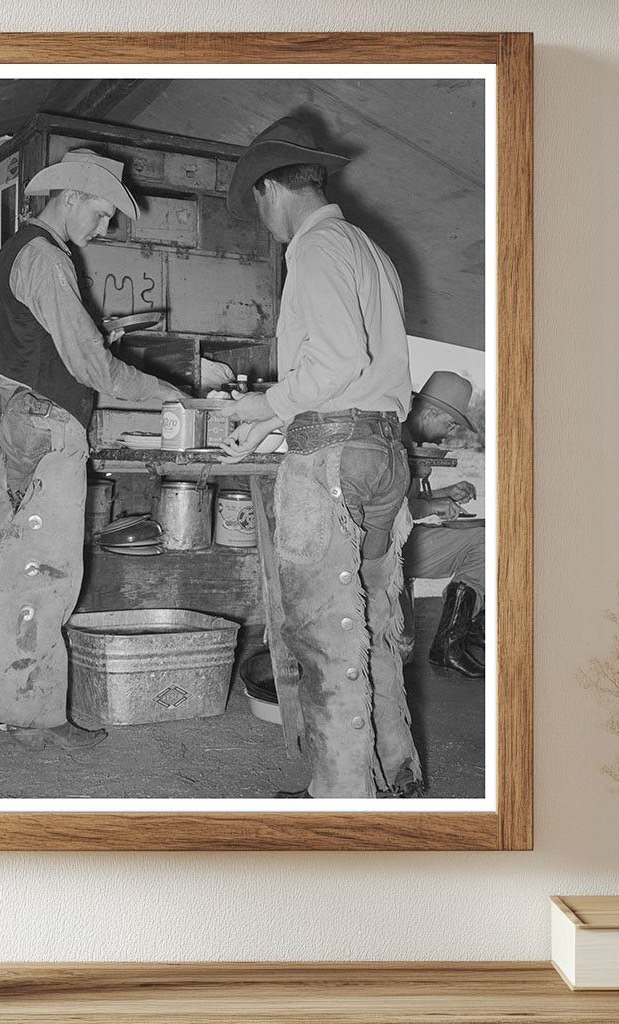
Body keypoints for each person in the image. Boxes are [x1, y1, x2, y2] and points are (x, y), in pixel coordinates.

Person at [0, 148, 231, 751]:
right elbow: (100, 374)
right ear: (72, 196)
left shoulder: (21, 251)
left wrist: (97, 333)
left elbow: (41, 343)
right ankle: (37, 721)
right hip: (48, 423)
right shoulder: (46, 259)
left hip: (17, 418)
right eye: (105, 212)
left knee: (11, 567)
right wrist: (187, 401)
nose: (106, 226)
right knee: (46, 576)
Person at [220, 117, 421, 799]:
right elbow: (359, 376)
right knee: (375, 622)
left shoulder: (314, 246)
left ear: (271, 188)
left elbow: (334, 363)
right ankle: (396, 777)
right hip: (381, 453)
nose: (265, 219)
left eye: (258, 203)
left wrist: (263, 407)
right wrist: (276, 425)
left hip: (332, 461)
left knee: (325, 637)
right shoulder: (368, 249)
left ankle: (340, 801)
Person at [402, 371, 485, 678]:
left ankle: (462, 635)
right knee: (487, 545)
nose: (450, 433)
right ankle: (450, 644)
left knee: (487, 536)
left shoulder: (407, 438)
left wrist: (444, 494)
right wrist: (432, 505)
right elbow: (384, 510)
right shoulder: (394, 441)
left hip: (398, 540)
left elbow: (403, 499)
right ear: (431, 412)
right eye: (449, 423)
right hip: (385, 550)